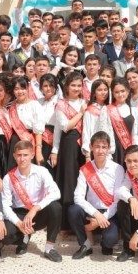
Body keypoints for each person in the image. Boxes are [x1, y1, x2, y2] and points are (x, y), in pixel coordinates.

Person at [0, 140, 64, 262]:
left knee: (56, 207)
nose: (22, 159)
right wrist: (19, 224)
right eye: (19, 155)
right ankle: (24, 237)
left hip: (37, 214)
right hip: (20, 214)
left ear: (32, 155)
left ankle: (49, 248)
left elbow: (56, 193)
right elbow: (5, 205)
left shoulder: (42, 171)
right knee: (4, 236)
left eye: (25, 155)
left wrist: (35, 209)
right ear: (14, 156)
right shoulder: (8, 178)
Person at [69, 131, 124, 259]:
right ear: (91, 147)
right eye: (97, 147)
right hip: (91, 212)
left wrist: (101, 219)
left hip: (109, 213)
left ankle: (105, 242)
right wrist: (96, 214)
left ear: (109, 149)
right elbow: (78, 197)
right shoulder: (85, 169)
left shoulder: (117, 169)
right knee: (73, 210)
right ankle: (85, 245)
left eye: (104, 147)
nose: (100, 151)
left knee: (109, 242)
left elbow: (117, 201)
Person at [50, 72, 87, 208]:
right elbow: (63, 128)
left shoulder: (85, 102)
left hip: (84, 143)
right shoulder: (61, 104)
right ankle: (66, 220)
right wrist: (55, 150)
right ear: (66, 87)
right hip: (69, 143)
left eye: (79, 85)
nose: (76, 88)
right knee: (69, 179)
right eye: (73, 85)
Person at [107, 78, 138, 165]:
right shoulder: (107, 109)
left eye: (122, 91)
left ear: (128, 91)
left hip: (130, 151)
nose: (120, 94)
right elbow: (105, 133)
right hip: (114, 151)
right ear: (112, 93)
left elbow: (135, 134)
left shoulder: (134, 110)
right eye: (116, 92)